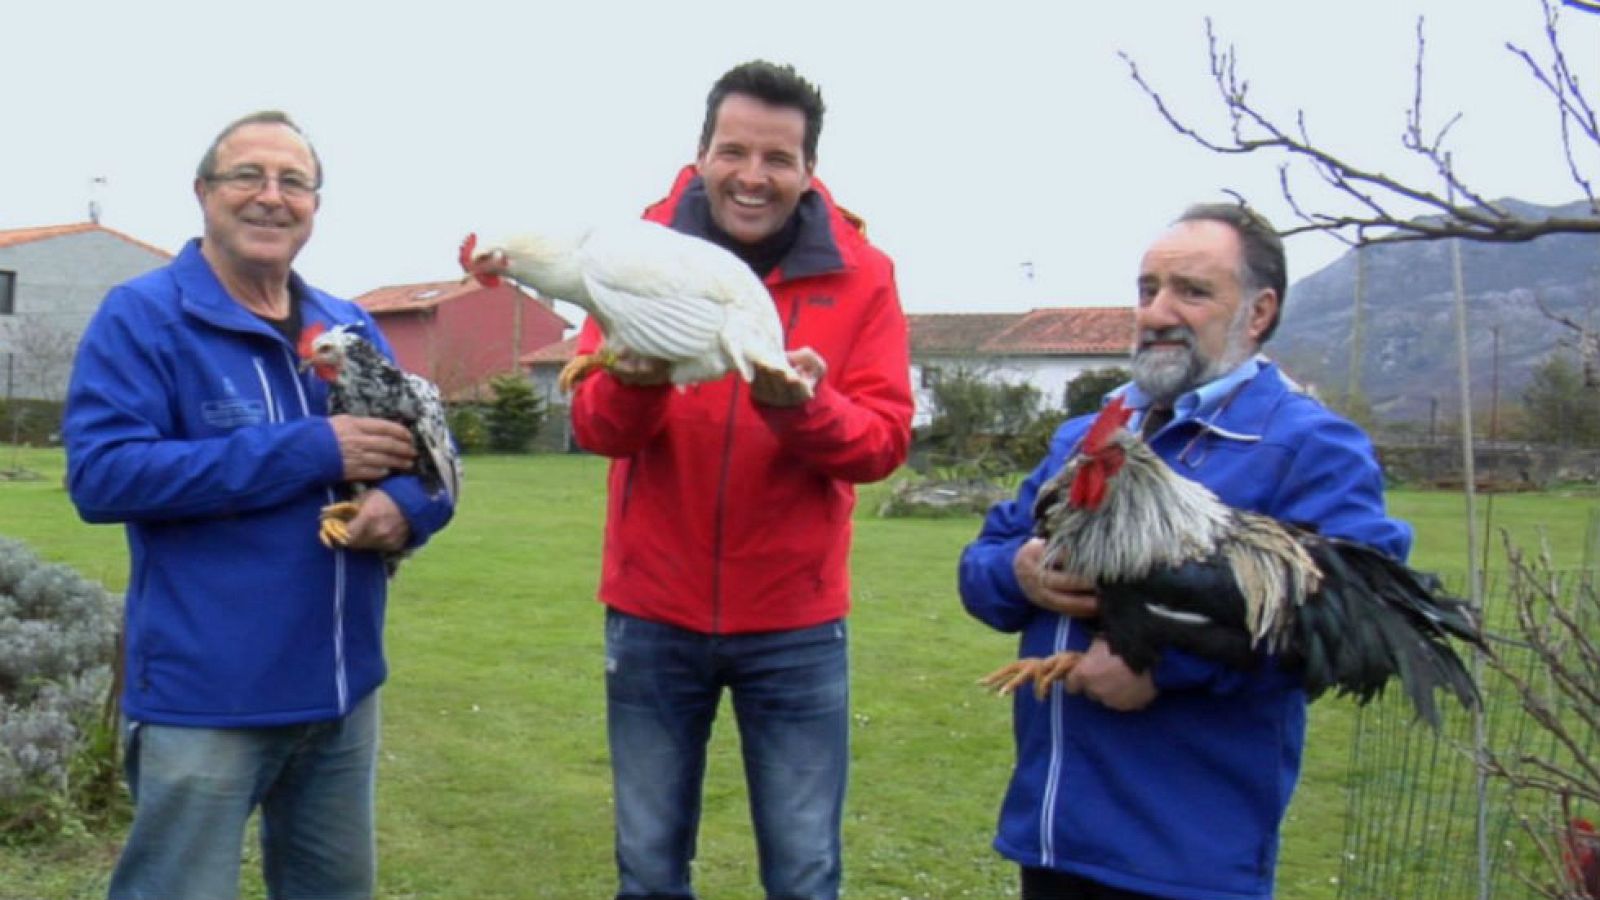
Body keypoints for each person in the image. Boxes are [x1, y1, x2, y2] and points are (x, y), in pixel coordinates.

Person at [958, 203, 1413, 900]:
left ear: (1258, 313)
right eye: (1148, 289)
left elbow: (1360, 616)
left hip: (1186, 849)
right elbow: (982, 569)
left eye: (1192, 292)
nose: (1157, 312)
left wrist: (1163, 668)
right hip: (1052, 831)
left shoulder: (1309, 444)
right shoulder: (1090, 434)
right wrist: (1018, 573)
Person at [63, 110, 455, 900]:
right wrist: (312, 451)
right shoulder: (145, 318)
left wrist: (404, 509)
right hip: (208, 698)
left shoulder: (347, 323)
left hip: (341, 692)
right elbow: (104, 476)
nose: (271, 197)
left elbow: (430, 459)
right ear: (203, 191)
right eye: (248, 175)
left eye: (293, 182)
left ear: (315, 204)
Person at [568, 61, 914, 900]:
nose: (752, 176)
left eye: (777, 158)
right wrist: (638, 380)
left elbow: (882, 441)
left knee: (803, 873)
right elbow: (596, 428)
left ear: (809, 169)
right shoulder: (631, 253)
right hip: (653, 612)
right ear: (701, 153)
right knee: (648, 871)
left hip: (796, 622)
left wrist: (802, 409)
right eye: (734, 152)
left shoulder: (863, 273)